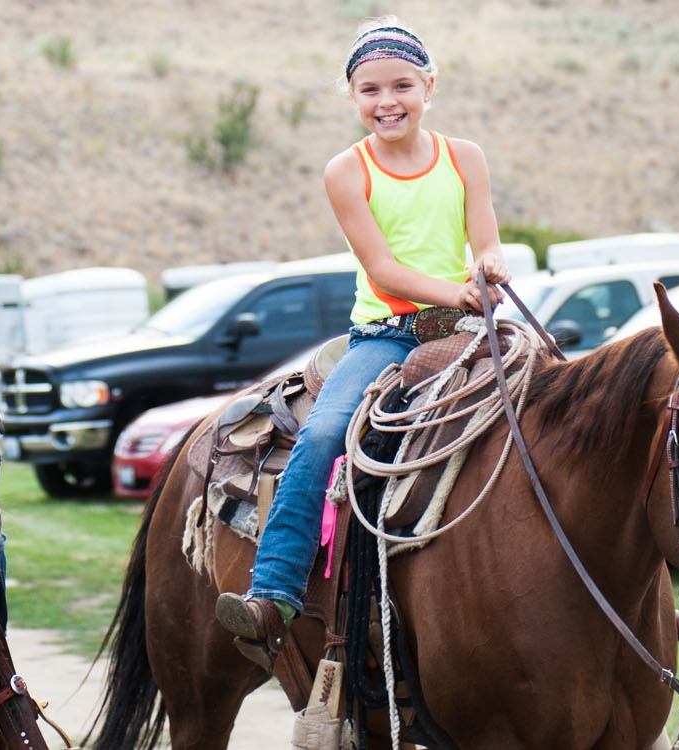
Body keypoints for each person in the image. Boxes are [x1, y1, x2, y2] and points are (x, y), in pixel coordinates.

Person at [215, 18, 511, 671]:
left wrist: (490, 265)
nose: (387, 101)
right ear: (352, 97)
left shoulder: (465, 156)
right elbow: (383, 270)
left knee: (555, 407)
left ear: (429, 86)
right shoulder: (347, 170)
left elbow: (485, 237)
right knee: (321, 439)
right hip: (388, 335)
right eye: (370, 88)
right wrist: (456, 291)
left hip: (465, 329)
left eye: (402, 84)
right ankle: (273, 592)